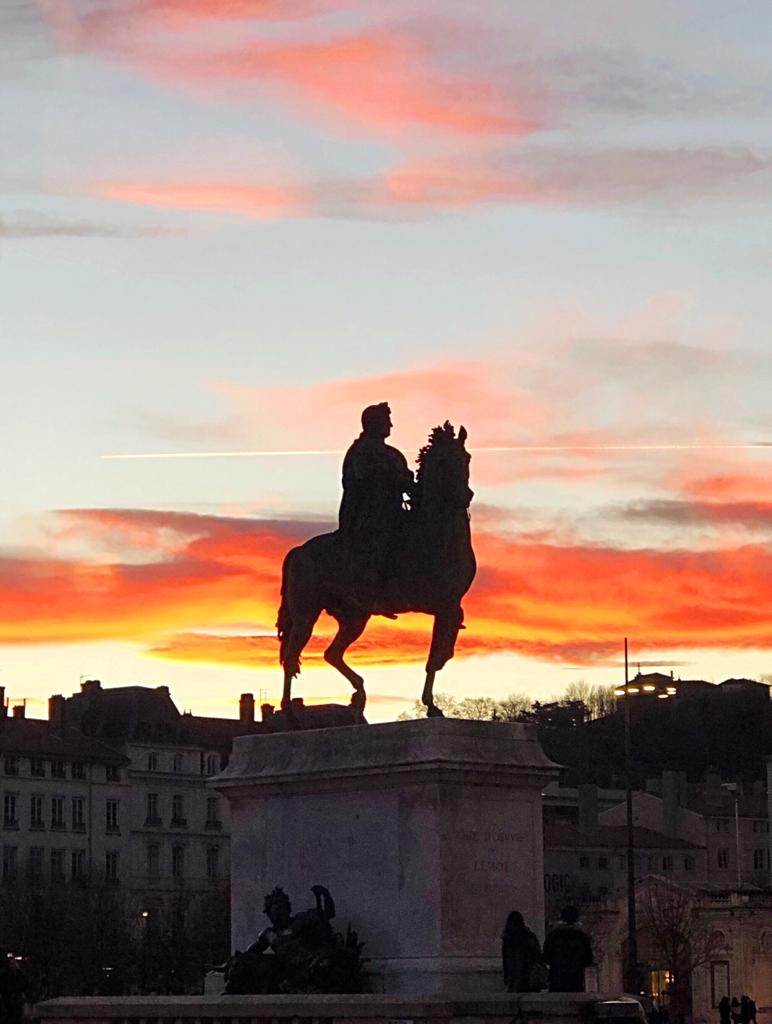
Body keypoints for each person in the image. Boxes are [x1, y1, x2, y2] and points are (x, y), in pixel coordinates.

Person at [338, 403, 413, 612]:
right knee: (378, 542)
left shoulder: (393, 454)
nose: (391, 424)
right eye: (386, 420)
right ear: (373, 423)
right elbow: (364, 481)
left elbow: (407, 481)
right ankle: (368, 591)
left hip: (394, 512)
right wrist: (393, 479)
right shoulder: (360, 451)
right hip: (369, 514)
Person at [542, 905, 594, 993]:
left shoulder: (553, 936)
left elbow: (546, 957)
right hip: (576, 979)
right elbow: (588, 959)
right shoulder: (582, 937)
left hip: (557, 978)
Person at [502, 910, 545, 992]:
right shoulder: (530, 936)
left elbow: (506, 960)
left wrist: (507, 978)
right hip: (529, 976)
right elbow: (537, 956)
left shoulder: (508, 939)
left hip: (514, 977)